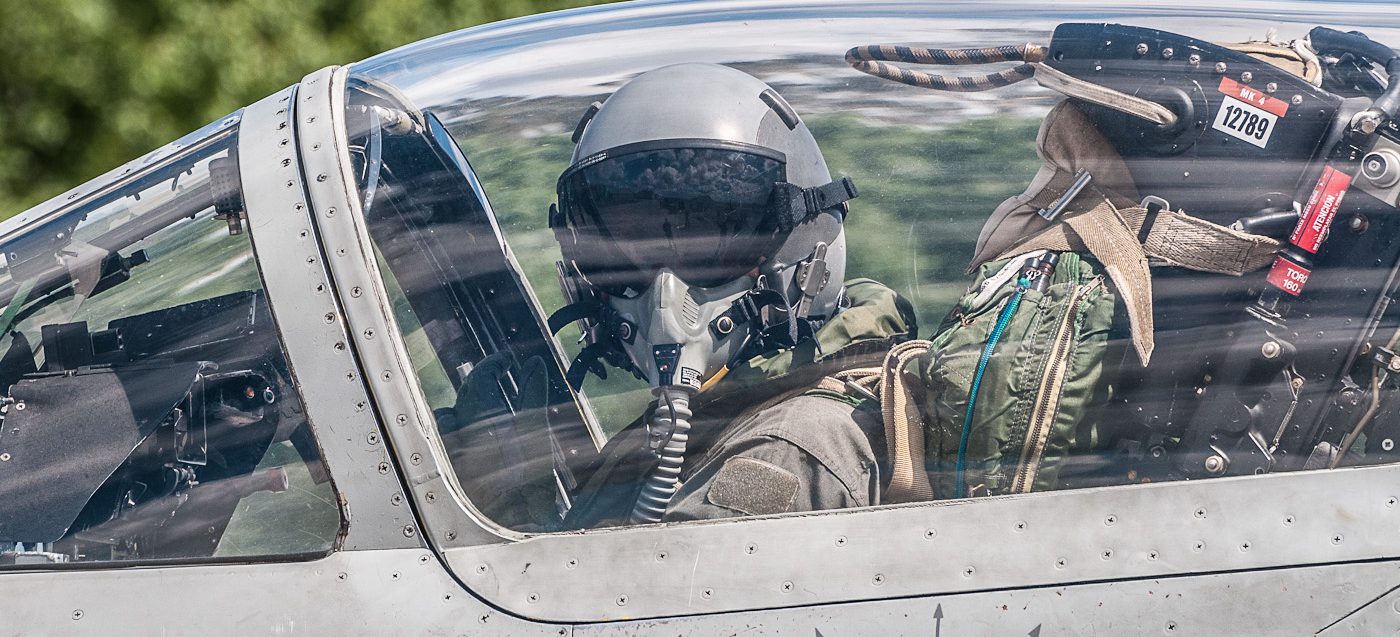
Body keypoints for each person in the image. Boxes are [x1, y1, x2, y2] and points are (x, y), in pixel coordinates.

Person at [546, 63, 918, 527]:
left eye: (710, 251)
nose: (665, 297)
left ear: (805, 250)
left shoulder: (786, 451)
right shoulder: (698, 423)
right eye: (629, 256)